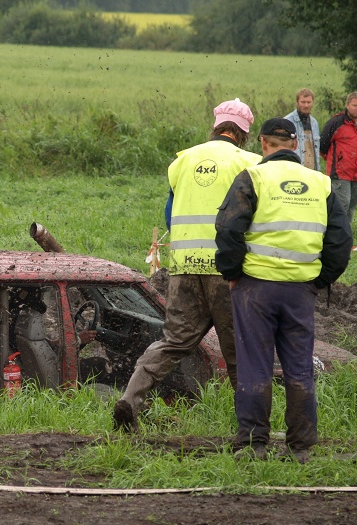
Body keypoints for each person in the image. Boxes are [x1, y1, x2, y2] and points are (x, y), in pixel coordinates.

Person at [113, 98, 262, 432]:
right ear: (244, 133)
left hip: (183, 267)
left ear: (216, 126)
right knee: (239, 350)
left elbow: (170, 215)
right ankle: (251, 428)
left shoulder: (183, 161)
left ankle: (130, 399)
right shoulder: (251, 163)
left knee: (174, 341)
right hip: (227, 272)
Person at [215, 118, 352, 463]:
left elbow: (229, 229)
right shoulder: (320, 183)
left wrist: (233, 273)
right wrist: (320, 279)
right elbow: (341, 240)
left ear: (263, 143)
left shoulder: (253, 177)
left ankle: (253, 445)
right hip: (300, 291)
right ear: (295, 145)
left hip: (254, 288)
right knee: (300, 367)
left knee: (254, 366)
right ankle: (301, 447)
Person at [320, 92, 357, 223]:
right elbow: (322, 145)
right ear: (347, 105)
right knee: (341, 206)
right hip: (339, 173)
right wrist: (337, 161)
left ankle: (346, 233)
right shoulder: (336, 122)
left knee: (351, 207)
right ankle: (335, 233)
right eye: (354, 105)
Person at [284, 88, 321, 171]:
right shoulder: (287, 121)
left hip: (312, 171)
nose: (306, 105)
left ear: (313, 103)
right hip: (294, 170)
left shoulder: (314, 123)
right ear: (297, 102)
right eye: (303, 102)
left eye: (309, 102)